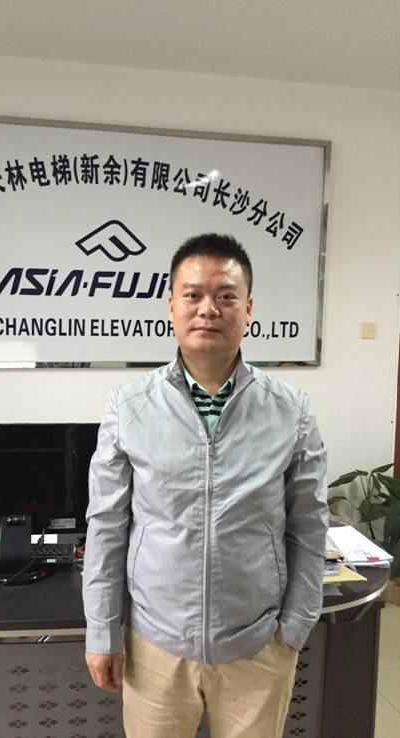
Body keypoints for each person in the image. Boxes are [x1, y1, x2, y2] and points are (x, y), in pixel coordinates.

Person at [82, 232, 328, 738]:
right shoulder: (129, 406)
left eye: (226, 296)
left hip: (258, 647)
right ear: (171, 305)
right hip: (155, 647)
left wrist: (295, 628)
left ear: (248, 308)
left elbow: (308, 526)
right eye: (193, 294)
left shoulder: (291, 411)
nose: (208, 309)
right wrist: (102, 630)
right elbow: (106, 526)